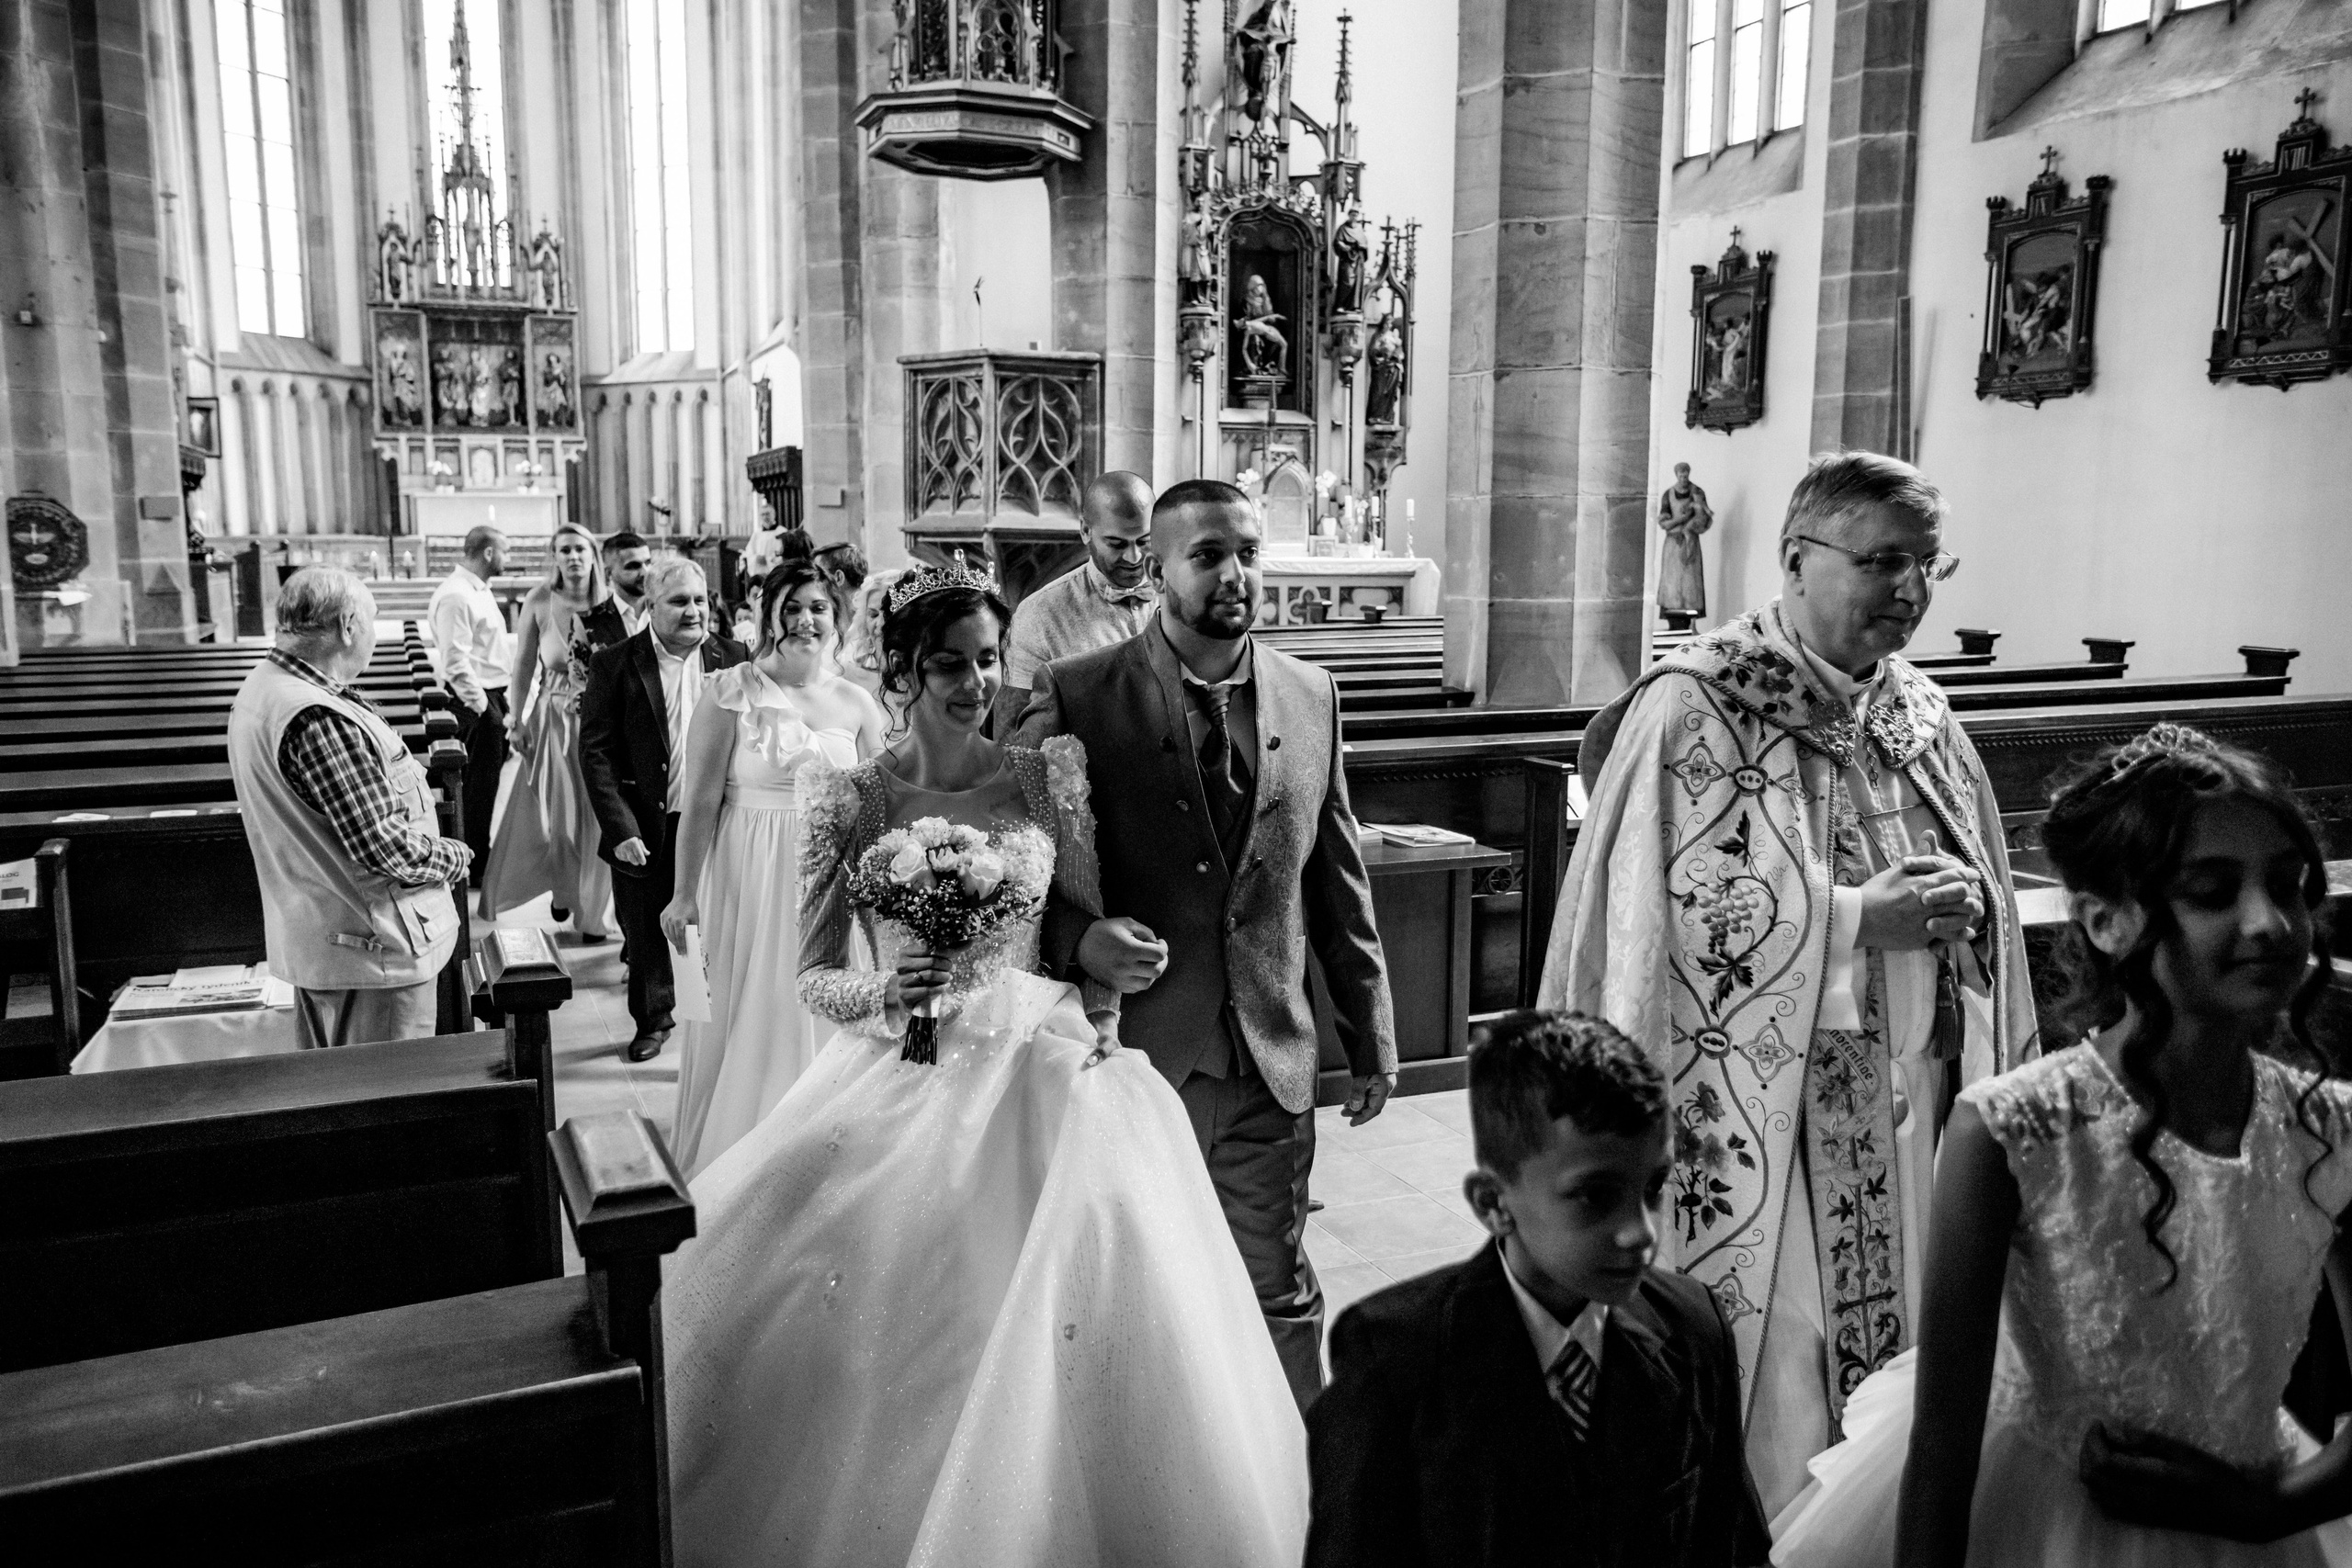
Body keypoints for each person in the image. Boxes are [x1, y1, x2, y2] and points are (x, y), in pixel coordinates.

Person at [661, 561, 1310, 1565]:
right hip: (907, 1067)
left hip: (1047, 1051)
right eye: (949, 665)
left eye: (987, 659)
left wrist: (1104, 976)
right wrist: (887, 994)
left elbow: (1075, 920)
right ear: (904, 674)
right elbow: (812, 976)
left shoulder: (1047, 775)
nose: (975, 683)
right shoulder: (851, 797)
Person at [1538, 450, 2037, 1513]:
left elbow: (1987, 876)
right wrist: (1864, 918)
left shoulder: (1923, 713)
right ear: (1796, 560)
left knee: (1913, 1336)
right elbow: (1662, 924)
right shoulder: (1699, 705)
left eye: (1926, 566)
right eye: (1882, 562)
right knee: (1789, 1361)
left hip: (1919, 1108)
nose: (1907, 591)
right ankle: (1766, 1523)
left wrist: (1967, 912)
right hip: (1767, 1115)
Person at [1774, 724, 2352, 1566]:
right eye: (2212, 890)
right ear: (2106, 920)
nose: (2269, 923)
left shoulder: (2329, 1129)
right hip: (2038, 1526)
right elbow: (1941, 1456)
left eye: (2289, 886)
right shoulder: (2010, 1128)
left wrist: (2260, 1509)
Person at [1015, 477, 1397, 1410]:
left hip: (1266, 1052)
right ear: (1156, 566)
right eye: (1208, 554)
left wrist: (1371, 1032)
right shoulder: (1077, 694)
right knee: (1135, 1291)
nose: (1236, 574)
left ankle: (1300, 1502)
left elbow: (1334, 878)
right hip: (1134, 1054)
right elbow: (1016, 875)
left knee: (1276, 1288)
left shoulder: (1311, 696)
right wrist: (1080, 938)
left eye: (1249, 552)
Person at [1307, 1010, 1770, 1568]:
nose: (1641, 1232)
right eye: (1596, 1196)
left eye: (1651, 1188)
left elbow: (1732, 1542)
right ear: (1495, 1203)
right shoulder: (1395, 1360)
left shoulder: (1692, 1327)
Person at [658, 562, 886, 1177]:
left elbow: (879, 804)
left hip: (831, 880)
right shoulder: (730, 691)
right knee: (759, 1006)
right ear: (768, 614)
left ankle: (825, 1154)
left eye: (818, 607)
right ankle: (746, 1157)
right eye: (791, 607)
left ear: (835, 616)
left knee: (828, 1016)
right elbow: (700, 802)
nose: (805, 620)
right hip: (750, 875)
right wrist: (684, 895)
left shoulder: (856, 701)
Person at [227, 569, 469, 1048]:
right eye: (375, 621)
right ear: (348, 625)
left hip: (328, 939)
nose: (375, 636)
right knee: (390, 1096)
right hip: (371, 952)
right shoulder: (316, 717)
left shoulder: (265, 688)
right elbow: (382, 845)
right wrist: (455, 855)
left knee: (347, 1092)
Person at [580, 558, 750, 1062]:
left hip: (718, 820)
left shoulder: (735, 657)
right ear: (650, 606)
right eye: (678, 601)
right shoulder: (615, 662)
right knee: (647, 926)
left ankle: (702, 1025)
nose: (693, 610)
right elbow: (596, 751)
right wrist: (619, 828)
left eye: (700, 599)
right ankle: (653, 1021)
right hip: (645, 820)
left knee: (704, 923)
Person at [479, 523, 616, 940]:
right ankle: (562, 888)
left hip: (603, 724)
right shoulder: (540, 600)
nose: (573, 557)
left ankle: (593, 915)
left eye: (580, 549)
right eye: (565, 550)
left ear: (592, 554)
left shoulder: (612, 602)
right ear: (554, 557)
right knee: (561, 821)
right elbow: (522, 667)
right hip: (555, 721)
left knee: (600, 820)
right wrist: (514, 719)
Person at [1000, 470, 1158, 728]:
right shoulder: (1038, 615)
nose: (1134, 558)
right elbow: (1011, 734)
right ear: (1085, 530)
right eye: (1116, 544)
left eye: (1144, 541)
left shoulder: (1182, 596)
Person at [426, 525, 513, 879]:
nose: (510, 559)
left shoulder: (477, 590)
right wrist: (483, 709)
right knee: (478, 788)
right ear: (489, 553)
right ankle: (475, 865)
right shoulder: (457, 596)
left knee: (486, 785)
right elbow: (456, 661)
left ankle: (480, 856)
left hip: (489, 697)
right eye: (505, 552)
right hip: (474, 702)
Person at [601, 530, 653, 637]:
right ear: (609, 573)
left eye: (648, 563)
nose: (645, 572)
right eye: (633, 566)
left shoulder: (666, 611)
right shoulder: (590, 622)